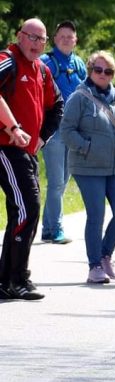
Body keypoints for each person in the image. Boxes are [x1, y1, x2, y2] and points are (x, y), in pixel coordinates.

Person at [0, 18, 64, 300]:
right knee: (28, 208)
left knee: (22, 211)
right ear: (19, 36)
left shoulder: (42, 70)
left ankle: (6, 280)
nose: (37, 44)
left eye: (42, 39)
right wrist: (13, 127)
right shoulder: (7, 60)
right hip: (5, 147)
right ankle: (17, 279)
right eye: (32, 37)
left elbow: (57, 105)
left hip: (27, 152)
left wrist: (41, 137)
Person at [59, 51, 115, 283]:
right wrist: (87, 148)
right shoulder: (79, 97)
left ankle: (105, 255)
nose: (103, 74)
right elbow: (66, 130)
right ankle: (94, 266)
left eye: (108, 71)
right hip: (87, 167)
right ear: (90, 70)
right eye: (98, 69)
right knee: (96, 215)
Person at [39, 20, 87, 244]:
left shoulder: (79, 63)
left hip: (74, 129)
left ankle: (48, 228)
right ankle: (55, 228)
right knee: (57, 180)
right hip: (54, 129)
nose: (67, 40)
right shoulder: (45, 62)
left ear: (76, 40)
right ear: (55, 39)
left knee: (64, 180)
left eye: (71, 36)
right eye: (62, 36)